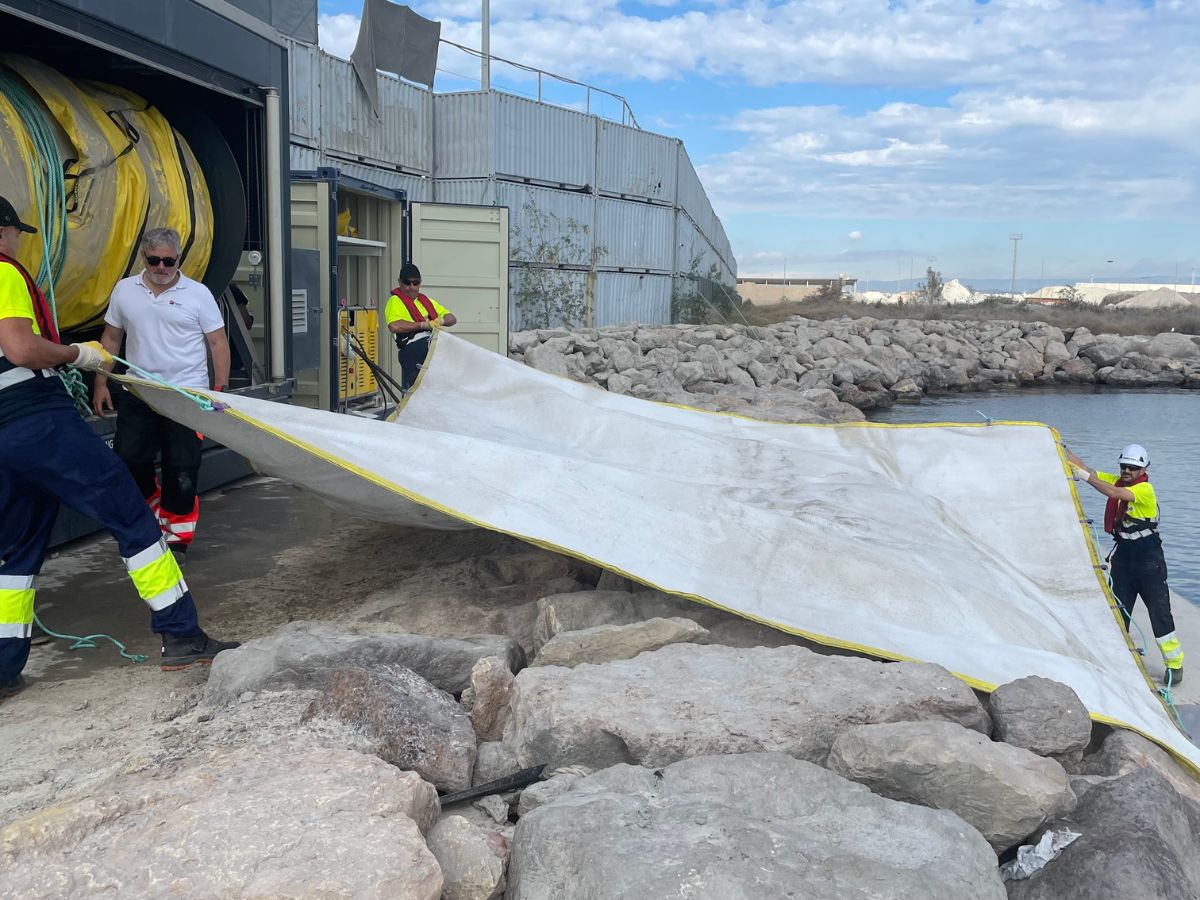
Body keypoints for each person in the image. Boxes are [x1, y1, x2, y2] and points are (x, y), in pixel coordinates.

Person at [0, 196, 237, 696]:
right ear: (3, 232)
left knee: (16, 551)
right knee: (131, 514)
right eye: (15, 232)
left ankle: (3, 666)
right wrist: (78, 354)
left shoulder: (196, 295)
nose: (18, 240)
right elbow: (21, 348)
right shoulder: (4, 273)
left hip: (7, 435)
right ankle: (181, 634)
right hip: (34, 418)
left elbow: (216, 343)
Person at [92, 228, 231, 560]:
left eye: (169, 261)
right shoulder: (125, 291)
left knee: (182, 467)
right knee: (129, 459)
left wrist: (220, 390)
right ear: (144, 257)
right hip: (141, 393)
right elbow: (111, 339)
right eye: (155, 260)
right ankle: (156, 501)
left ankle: (178, 538)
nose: (162, 267)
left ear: (179, 259)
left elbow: (218, 343)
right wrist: (100, 383)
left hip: (186, 395)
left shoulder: (198, 295)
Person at [1066, 443, 1184, 685]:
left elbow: (1113, 494)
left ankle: (1174, 664)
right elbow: (1089, 469)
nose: (1127, 471)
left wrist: (1083, 476)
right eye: (1124, 466)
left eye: (1133, 467)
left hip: (1148, 560)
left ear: (1144, 469)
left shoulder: (1145, 490)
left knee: (1159, 612)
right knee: (1118, 611)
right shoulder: (1118, 481)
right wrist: (1059, 446)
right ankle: (1118, 661)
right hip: (1124, 559)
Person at [384, 262, 456, 391]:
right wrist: (423, 324)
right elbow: (394, 326)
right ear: (400, 282)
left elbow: (452, 318)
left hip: (432, 345)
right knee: (420, 391)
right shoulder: (395, 301)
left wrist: (440, 321)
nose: (411, 287)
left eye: (415, 283)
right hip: (413, 349)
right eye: (407, 283)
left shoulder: (426, 301)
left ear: (420, 283)